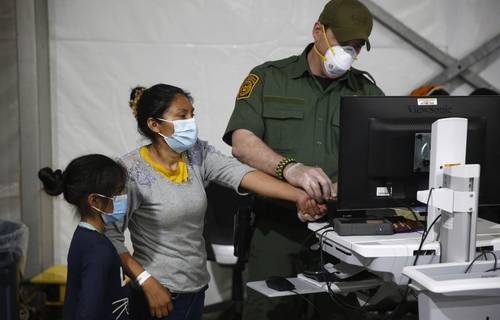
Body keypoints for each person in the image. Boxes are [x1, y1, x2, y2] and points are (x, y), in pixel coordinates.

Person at [104, 83, 325, 320]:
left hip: (195, 289)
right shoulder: (129, 172)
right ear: (154, 124)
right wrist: (146, 282)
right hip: (158, 294)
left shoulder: (197, 154)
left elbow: (242, 174)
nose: (191, 123)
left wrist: (299, 195)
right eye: (182, 116)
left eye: (192, 115)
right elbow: (110, 235)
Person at [223, 0, 384, 319]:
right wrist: (290, 169)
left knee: (339, 311)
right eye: (342, 42)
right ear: (318, 31)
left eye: (356, 47)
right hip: (277, 228)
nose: (347, 53)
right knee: (269, 310)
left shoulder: (367, 93)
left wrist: (349, 183)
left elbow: (381, 157)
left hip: (343, 233)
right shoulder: (269, 78)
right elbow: (242, 143)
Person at [38, 155, 130, 320]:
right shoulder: (98, 250)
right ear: (94, 200)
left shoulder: (84, 238)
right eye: (118, 192)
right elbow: (87, 311)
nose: (124, 196)